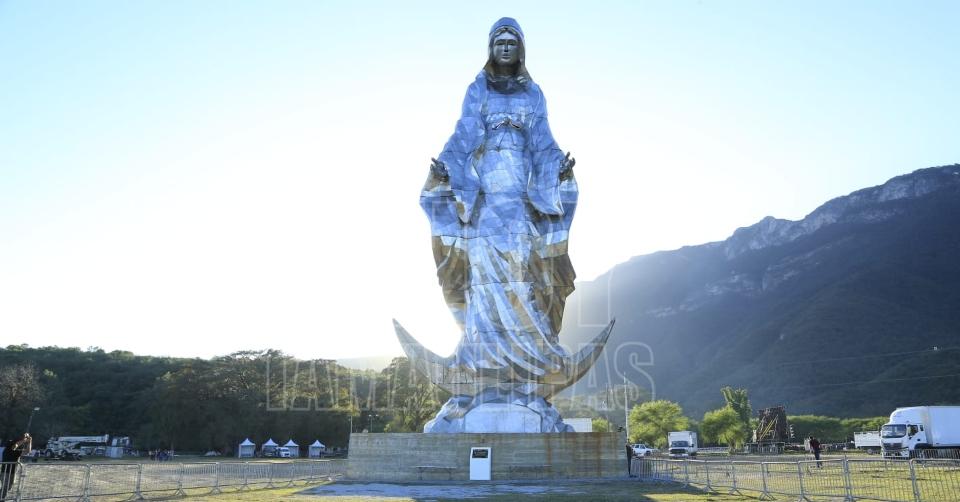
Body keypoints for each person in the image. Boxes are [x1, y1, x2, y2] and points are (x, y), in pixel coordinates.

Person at [421, 16, 577, 382]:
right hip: (485, 193)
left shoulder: (533, 94)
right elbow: (463, 134)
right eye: (499, 42)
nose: (505, 48)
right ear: (490, 49)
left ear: (521, 49)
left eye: (512, 43)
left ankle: (531, 354)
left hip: (520, 193)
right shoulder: (477, 91)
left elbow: (543, 140)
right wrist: (445, 171)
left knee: (522, 269)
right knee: (482, 269)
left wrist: (559, 171)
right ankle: (479, 356)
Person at [1, 433, 32, 500]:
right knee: (5, 487)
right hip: (5, 472)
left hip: (13, 472)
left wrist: (29, 441)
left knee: (8, 487)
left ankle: (1, 498)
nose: (18, 445)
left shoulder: (16, 451)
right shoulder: (8, 449)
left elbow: (27, 451)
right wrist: (24, 440)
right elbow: (15, 445)